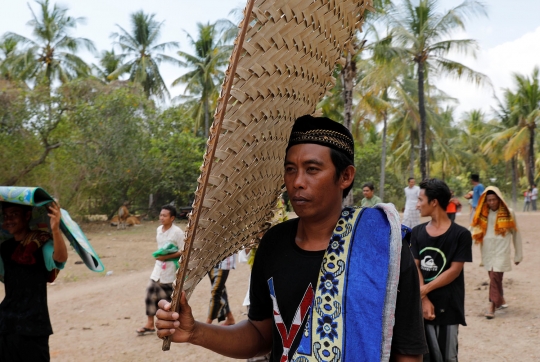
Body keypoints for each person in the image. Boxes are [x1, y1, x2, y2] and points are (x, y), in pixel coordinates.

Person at [156, 115, 427, 361]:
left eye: (312, 169)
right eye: (290, 169)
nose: (297, 181)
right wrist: (195, 332)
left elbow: (407, 352)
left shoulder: (381, 247)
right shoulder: (274, 243)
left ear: (345, 176)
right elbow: (260, 335)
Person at [410, 178, 472, 362]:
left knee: (448, 357)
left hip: (449, 306)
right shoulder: (417, 232)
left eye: (421, 200)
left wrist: (424, 291)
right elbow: (415, 265)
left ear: (434, 202)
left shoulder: (461, 235)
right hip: (422, 308)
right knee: (425, 357)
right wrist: (424, 299)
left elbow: (454, 270)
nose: (417, 205)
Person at [0, 201, 67, 361]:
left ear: (27, 215)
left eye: (14, 214)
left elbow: (60, 258)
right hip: (6, 324)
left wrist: (56, 230)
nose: (9, 220)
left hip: (34, 326)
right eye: (6, 216)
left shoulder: (42, 242)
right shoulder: (4, 248)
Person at [471, 187, 522, 319]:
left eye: (494, 199)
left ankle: (492, 305)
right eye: (489, 200)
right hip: (487, 250)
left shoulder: (509, 213)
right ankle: (501, 300)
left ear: (499, 200)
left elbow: (516, 234)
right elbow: (473, 230)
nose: (492, 202)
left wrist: (518, 255)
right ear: (485, 201)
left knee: (494, 276)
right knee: (495, 277)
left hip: (502, 250)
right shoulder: (483, 214)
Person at [137, 205, 184, 335]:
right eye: (161, 215)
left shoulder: (177, 233)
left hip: (170, 269)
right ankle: (150, 324)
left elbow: (184, 251)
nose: (161, 218)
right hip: (158, 268)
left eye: (165, 215)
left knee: (167, 299)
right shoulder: (159, 230)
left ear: (172, 218)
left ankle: (174, 325)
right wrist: (160, 256)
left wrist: (167, 256)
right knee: (150, 294)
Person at [207, 254, 236, 325]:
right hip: (209, 257)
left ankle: (207, 324)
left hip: (224, 258)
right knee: (220, 288)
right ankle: (230, 318)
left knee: (216, 291)